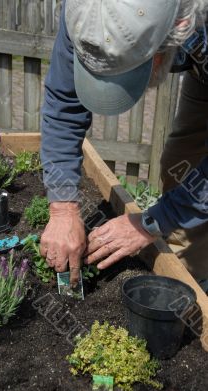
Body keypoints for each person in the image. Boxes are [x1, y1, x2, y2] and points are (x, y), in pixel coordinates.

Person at [40, 0, 208, 288]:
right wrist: (62, 209)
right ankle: (188, 279)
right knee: (180, 168)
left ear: (178, 28)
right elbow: (64, 102)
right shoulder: (86, 12)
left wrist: (153, 222)